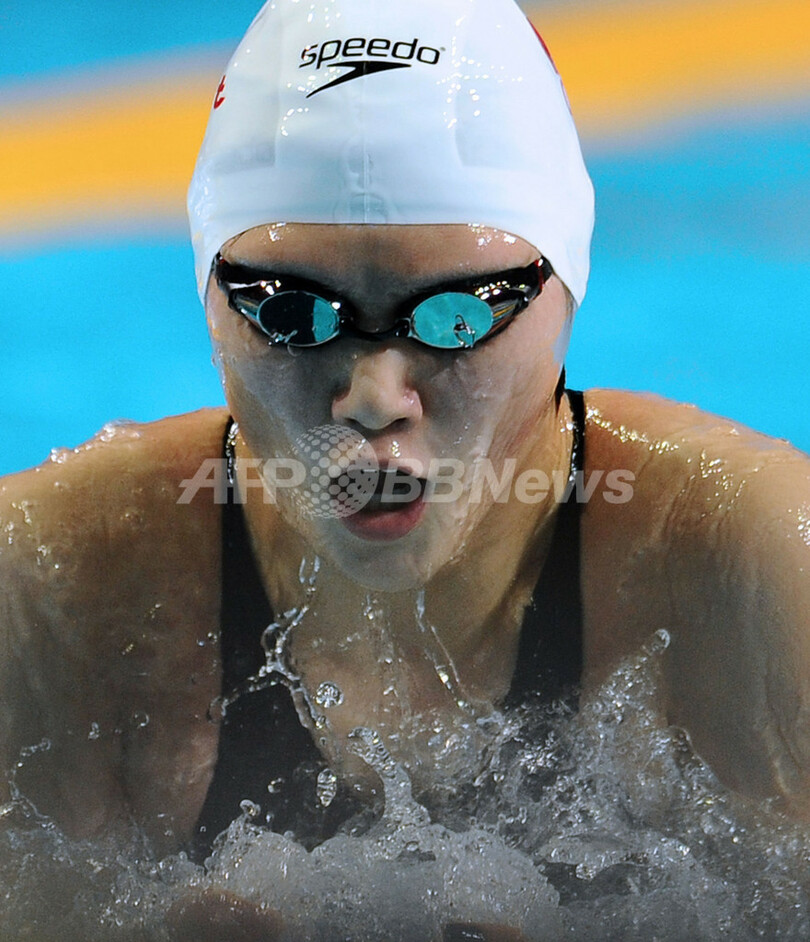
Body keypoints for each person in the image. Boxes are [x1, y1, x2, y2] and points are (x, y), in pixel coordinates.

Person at [0, 0, 809, 937]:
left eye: (454, 318)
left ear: (568, 294)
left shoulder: (757, 570)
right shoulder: (48, 592)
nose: (374, 396)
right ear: (210, 303)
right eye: (292, 313)